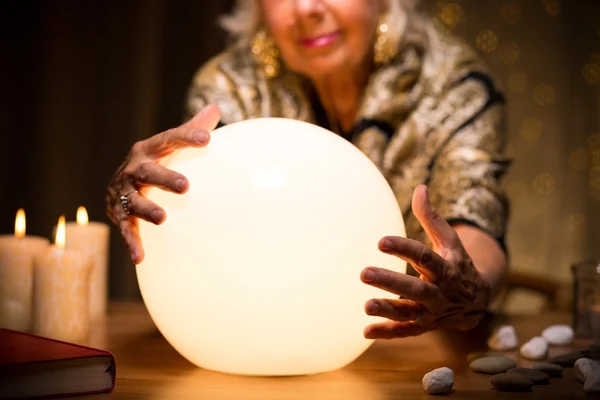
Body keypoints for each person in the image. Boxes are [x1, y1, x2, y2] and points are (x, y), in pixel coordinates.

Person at [106, 0, 510, 340]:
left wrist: (468, 281)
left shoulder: (454, 84)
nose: (304, 9)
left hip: (416, 343)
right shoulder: (230, 84)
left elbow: (472, 208)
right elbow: (203, 228)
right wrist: (140, 195)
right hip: (261, 336)